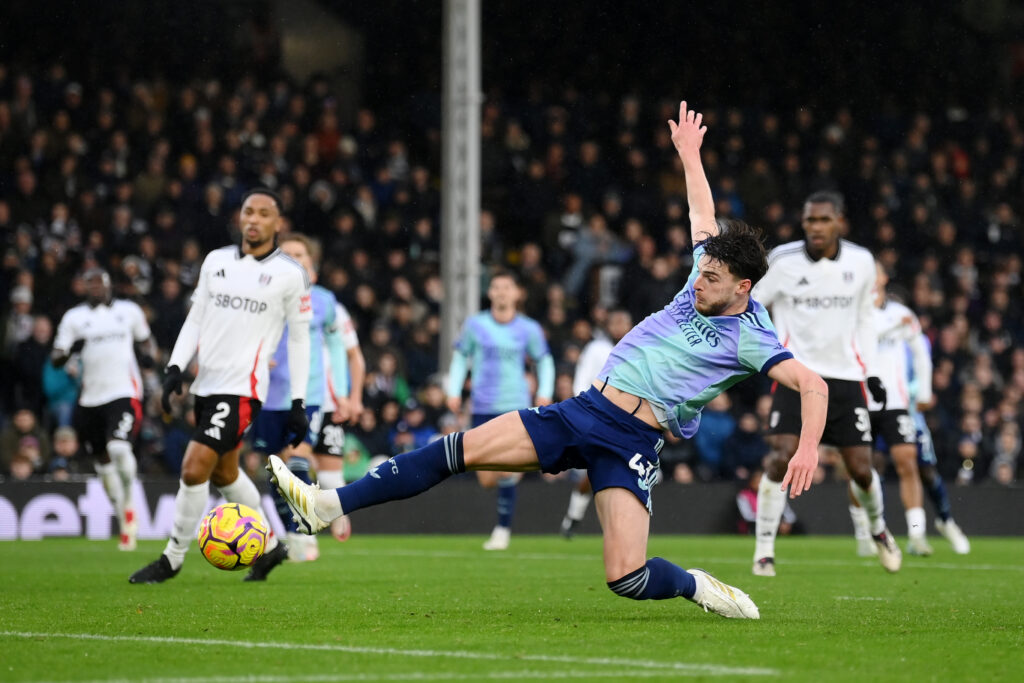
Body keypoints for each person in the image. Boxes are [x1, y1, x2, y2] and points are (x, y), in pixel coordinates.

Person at [269, 102, 826, 620]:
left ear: (744, 286)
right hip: (585, 411)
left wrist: (805, 448)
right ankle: (327, 505)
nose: (699, 281)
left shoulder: (752, 337)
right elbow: (700, 209)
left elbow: (812, 384)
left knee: (627, 578)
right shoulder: (710, 263)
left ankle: (698, 586)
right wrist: (688, 153)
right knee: (460, 449)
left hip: (633, 441)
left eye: (712, 279)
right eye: (701, 272)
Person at [129, 188, 312, 584]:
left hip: (244, 388)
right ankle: (268, 548)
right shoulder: (216, 261)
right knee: (225, 474)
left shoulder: (290, 274)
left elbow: (299, 339)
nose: (254, 219)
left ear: (277, 224)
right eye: (249, 211)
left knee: (195, 467)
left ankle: (172, 558)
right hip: (206, 384)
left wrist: (299, 400)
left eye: (264, 214)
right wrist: (176, 365)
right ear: (239, 217)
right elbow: (196, 318)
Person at [751, 189, 901, 576]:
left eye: (823, 220)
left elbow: (866, 318)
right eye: (809, 220)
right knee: (780, 456)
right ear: (803, 223)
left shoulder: (862, 261)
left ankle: (880, 530)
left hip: (845, 378)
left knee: (862, 469)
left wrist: (873, 372)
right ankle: (764, 551)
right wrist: (766, 354)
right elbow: (751, 306)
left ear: (839, 221)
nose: (816, 227)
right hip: (795, 374)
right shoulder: (782, 261)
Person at [250, 233, 355, 562]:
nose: (294, 259)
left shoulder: (325, 301)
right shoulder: (264, 295)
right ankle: (293, 532)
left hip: (307, 394)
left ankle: (305, 532)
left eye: (300, 254)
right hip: (267, 395)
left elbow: (339, 350)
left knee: (298, 456)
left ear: (312, 265)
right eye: (287, 254)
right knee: (274, 470)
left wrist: (341, 394)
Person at [445, 268, 555, 551]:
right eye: (497, 287)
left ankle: (502, 529)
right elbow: (460, 356)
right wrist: (453, 390)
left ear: (517, 293)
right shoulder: (475, 325)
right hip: (482, 406)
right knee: (485, 477)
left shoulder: (528, 328)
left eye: (508, 287)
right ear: (490, 293)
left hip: (515, 405)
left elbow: (544, 361)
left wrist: (544, 391)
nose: (502, 292)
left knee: (508, 469)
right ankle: (504, 503)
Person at [52, 268, 153, 551]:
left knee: (120, 448)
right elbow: (56, 355)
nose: (95, 288)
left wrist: (149, 356)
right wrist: (71, 350)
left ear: (110, 285)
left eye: (100, 283)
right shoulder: (74, 318)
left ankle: (131, 502)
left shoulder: (129, 311)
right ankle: (124, 521)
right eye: (90, 284)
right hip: (89, 399)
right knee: (103, 464)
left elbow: (146, 340)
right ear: (83, 287)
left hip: (124, 392)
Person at [864, 262, 931, 556]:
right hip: (861, 399)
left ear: (883, 277)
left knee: (907, 462)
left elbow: (920, 354)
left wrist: (925, 390)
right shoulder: (854, 312)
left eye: (875, 270)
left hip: (896, 402)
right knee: (860, 468)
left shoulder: (902, 313)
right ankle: (863, 535)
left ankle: (917, 534)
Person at [561, 308, 632, 537]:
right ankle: (575, 516)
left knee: (616, 470)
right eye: (616, 322)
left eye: (624, 321)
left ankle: (579, 518)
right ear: (608, 326)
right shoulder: (596, 349)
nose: (620, 326)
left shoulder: (638, 349)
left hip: (628, 421)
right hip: (596, 415)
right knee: (595, 470)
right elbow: (582, 378)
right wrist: (583, 409)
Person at [908, 333, 971, 554]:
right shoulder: (874, 335)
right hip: (880, 413)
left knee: (924, 472)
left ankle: (944, 521)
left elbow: (922, 377)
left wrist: (916, 392)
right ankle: (873, 532)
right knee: (872, 469)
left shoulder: (915, 339)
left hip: (911, 417)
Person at [313, 298, 365, 544]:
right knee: (289, 462)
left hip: (329, 402)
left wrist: (354, 398)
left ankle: (336, 511)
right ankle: (299, 532)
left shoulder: (333, 308)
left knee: (329, 475)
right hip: (288, 400)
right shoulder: (275, 297)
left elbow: (355, 356)